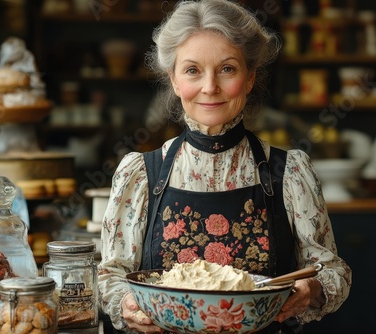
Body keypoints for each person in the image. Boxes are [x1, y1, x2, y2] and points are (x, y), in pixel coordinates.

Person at [97, 0, 352, 333]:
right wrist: (126, 304)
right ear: (174, 81)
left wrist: (311, 289)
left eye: (227, 69)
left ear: (249, 78)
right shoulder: (141, 174)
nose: (210, 87)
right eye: (192, 70)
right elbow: (110, 275)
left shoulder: (289, 172)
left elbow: (332, 272)